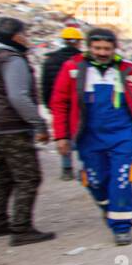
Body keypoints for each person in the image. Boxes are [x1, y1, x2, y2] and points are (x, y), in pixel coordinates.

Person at [50, 28, 132, 246]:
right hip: (88, 137)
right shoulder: (72, 68)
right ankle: (110, 209)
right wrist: (61, 135)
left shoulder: (128, 70)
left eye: (107, 48)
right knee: (96, 180)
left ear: (115, 48)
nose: (102, 52)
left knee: (122, 178)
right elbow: (59, 103)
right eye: (97, 48)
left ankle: (121, 227)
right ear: (89, 47)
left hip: (122, 135)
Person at [0, 18, 54, 245]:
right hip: (10, 126)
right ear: (17, 36)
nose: (27, 38)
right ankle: (21, 228)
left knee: (4, 174)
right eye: (25, 33)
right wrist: (38, 123)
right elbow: (18, 96)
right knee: (29, 177)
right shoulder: (12, 59)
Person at [41, 21, 85, 181]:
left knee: (63, 134)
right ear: (79, 42)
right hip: (78, 104)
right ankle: (83, 167)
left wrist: (49, 105)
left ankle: (67, 168)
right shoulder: (82, 61)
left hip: (58, 104)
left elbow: (45, 84)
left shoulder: (51, 60)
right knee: (81, 133)